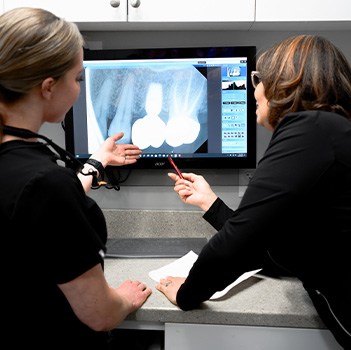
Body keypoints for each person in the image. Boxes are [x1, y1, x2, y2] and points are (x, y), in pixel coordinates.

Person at [156, 34, 351, 349]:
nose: (254, 90)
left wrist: (187, 292)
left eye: (259, 80)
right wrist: (212, 204)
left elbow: (240, 242)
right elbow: (275, 246)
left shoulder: (310, 129)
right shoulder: (329, 133)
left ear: (284, 85)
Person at [0, 7, 152, 348]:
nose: (79, 89)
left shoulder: (25, 173)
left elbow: (30, 211)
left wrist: (96, 162)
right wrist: (124, 298)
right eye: (78, 78)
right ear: (49, 87)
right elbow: (100, 315)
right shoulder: (44, 185)